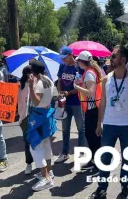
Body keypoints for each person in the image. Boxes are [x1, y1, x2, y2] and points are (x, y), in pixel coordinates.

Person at [88, 45, 128, 199]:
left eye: (113, 56)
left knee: (127, 158)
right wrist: (99, 124)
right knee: (105, 157)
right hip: (110, 124)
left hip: (127, 125)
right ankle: (101, 188)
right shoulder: (106, 79)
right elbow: (103, 104)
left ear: (123, 60)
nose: (110, 59)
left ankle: (125, 188)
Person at [27, 61, 57, 192]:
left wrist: (30, 86)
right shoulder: (49, 80)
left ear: (34, 72)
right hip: (46, 114)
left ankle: (46, 178)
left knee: (35, 147)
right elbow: (54, 95)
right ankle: (49, 172)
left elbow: (36, 101)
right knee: (46, 144)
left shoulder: (38, 83)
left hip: (38, 116)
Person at [73, 51, 103, 171]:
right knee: (91, 135)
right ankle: (94, 161)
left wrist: (77, 87)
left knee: (92, 136)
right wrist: (81, 84)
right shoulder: (90, 72)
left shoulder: (89, 73)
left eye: (78, 61)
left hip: (92, 108)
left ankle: (97, 162)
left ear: (82, 62)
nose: (77, 63)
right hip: (92, 108)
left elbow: (90, 92)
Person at [55, 46, 85, 163]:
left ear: (71, 55)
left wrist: (69, 92)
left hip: (77, 102)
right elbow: (59, 81)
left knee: (81, 129)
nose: (63, 60)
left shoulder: (79, 68)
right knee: (65, 129)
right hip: (65, 103)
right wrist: (60, 92)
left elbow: (81, 87)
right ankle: (65, 153)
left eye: (65, 58)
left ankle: (82, 153)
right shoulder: (62, 66)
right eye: (62, 58)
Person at [18, 65, 34, 175]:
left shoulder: (38, 84)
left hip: (37, 117)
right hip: (24, 117)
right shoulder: (20, 85)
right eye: (29, 73)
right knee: (27, 141)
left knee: (39, 140)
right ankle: (29, 163)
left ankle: (40, 161)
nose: (31, 76)